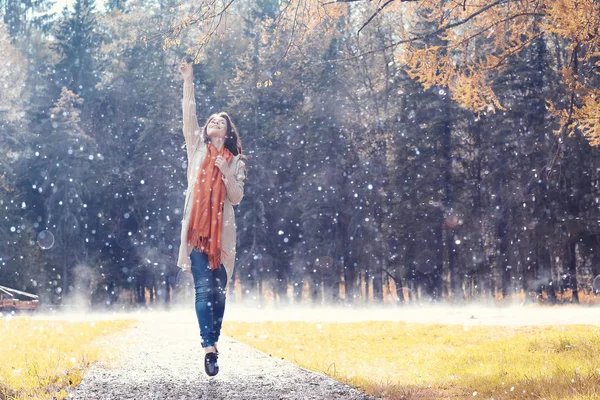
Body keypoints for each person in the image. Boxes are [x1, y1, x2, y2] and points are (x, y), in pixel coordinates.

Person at [178, 57, 248, 377]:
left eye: (221, 120)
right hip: (196, 231)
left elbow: (236, 197)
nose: (214, 122)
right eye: (212, 120)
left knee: (219, 294)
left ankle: (214, 339)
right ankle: (208, 347)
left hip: (223, 238)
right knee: (203, 290)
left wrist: (225, 172)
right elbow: (188, 115)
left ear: (227, 130)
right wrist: (188, 79)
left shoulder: (235, 161)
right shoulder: (196, 148)